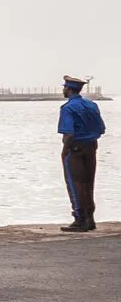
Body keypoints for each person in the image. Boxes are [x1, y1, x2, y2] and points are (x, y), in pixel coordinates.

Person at [58, 74, 104, 232]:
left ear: (70, 90)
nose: (64, 90)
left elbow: (68, 133)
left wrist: (65, 151)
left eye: (65, 87)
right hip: (91, 146)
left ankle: (80, 219)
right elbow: (101, 128)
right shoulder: (92, 105)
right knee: (88, 183)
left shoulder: (68, 108)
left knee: (75, 183)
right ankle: (90, 219)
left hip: (75, 147)